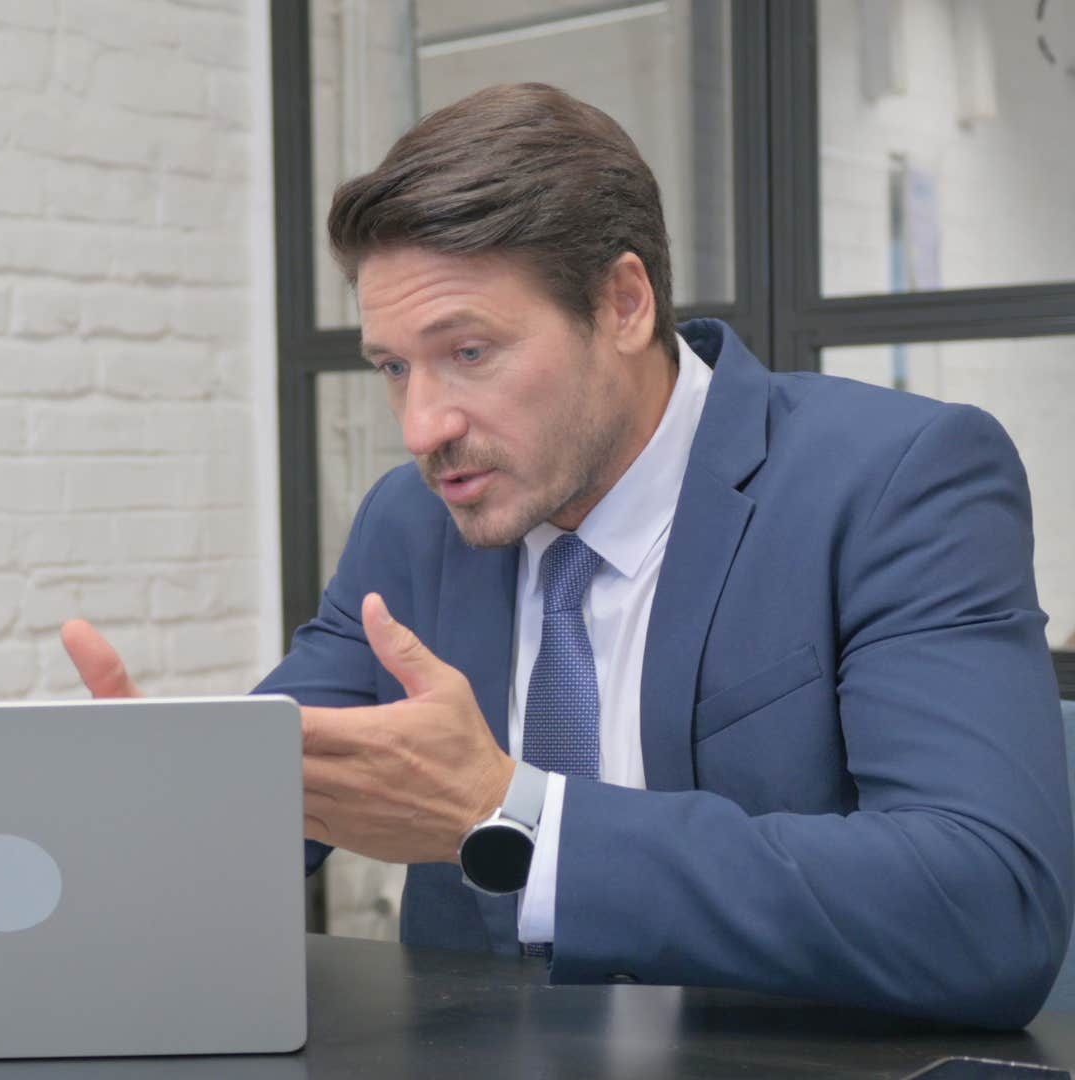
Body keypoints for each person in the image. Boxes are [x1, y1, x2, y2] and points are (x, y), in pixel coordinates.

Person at [65, 82, 1072, 1028]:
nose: (421, 427)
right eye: (391, 368)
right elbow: (291, 786)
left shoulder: (895, 479)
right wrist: (176, 803)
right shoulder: (410, 524)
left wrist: (510, 812)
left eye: (469, 352)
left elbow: (987, 906)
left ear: (624, 304)